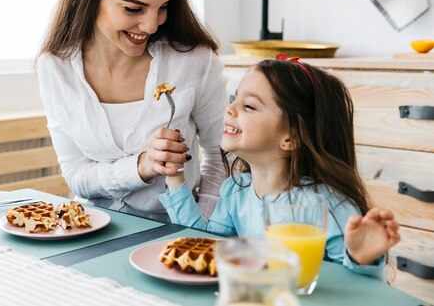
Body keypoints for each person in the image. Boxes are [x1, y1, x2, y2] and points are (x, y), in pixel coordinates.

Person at [37, 0, 227, 221]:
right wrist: (140, 166)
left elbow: (221, 157)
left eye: (163, 7)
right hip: (87, 228)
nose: (151, 25)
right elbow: (76, 175)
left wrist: (200, 228)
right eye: (133, 8)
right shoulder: (56, 67)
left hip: (173, 234)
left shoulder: (194, 62)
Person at [160, 56, 400, 278]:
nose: (229, 109)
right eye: (234, 99)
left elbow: (359, 290)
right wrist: (175, 180)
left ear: (291, 138)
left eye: (249, 106)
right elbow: (208, 244)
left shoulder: (326, 204)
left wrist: (361, 258)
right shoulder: (235, 190)